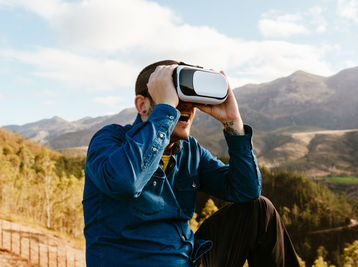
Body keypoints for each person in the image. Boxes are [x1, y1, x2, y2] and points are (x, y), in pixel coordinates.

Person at [82, 60, 300, 267]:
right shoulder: (110, 141)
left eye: (188, 97)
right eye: (173, 97)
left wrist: (232, 121)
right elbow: (126, 182)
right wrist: (166, 110)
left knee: (259, 210)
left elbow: (246, 190)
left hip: (188, 261)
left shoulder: (190, 151)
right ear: (142, 105)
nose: (185, 106)